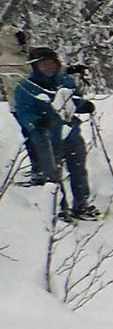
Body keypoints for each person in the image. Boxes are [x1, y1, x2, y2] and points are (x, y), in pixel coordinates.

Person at [10, 47, 98, 217]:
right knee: (53, 174)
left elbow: (74, 101)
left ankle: (81, 204)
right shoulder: (26, 87)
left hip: (70, 132)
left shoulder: (65, 81)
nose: (48, 68)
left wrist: (83, 105)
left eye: (51, 63)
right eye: (44, 65)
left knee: (78, 169)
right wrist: (36, 122)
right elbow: (24, 112)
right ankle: (60, 209)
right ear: (36, 67)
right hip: (45, 137)